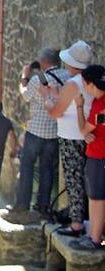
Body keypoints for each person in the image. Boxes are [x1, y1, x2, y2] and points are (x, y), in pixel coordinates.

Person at [6, 48, 65, 224]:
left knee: (27, 167)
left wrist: (23, 77)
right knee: (47, 169)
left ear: (44, 62)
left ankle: (22, 204)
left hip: (36, 131)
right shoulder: (67, 77)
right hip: (55, 131)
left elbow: (24, 96)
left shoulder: (36, 80)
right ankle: (43, 206)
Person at [45, 40, 94, 236]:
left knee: (74, 180)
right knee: (86, 179)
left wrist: (48, 98)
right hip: (86, 135)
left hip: (70, 137)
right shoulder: (90, 81)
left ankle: (76, 223)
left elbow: (55, 111)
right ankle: (87, 219)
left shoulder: (74, 84)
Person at [71, 65, 105, 253]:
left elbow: (84, 129)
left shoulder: (100, 104)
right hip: (98, 153)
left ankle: (94, 238)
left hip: (99, 155)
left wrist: (78, 106)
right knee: (95, 197)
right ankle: (93, 233)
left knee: (97, 198)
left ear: (90, 84)